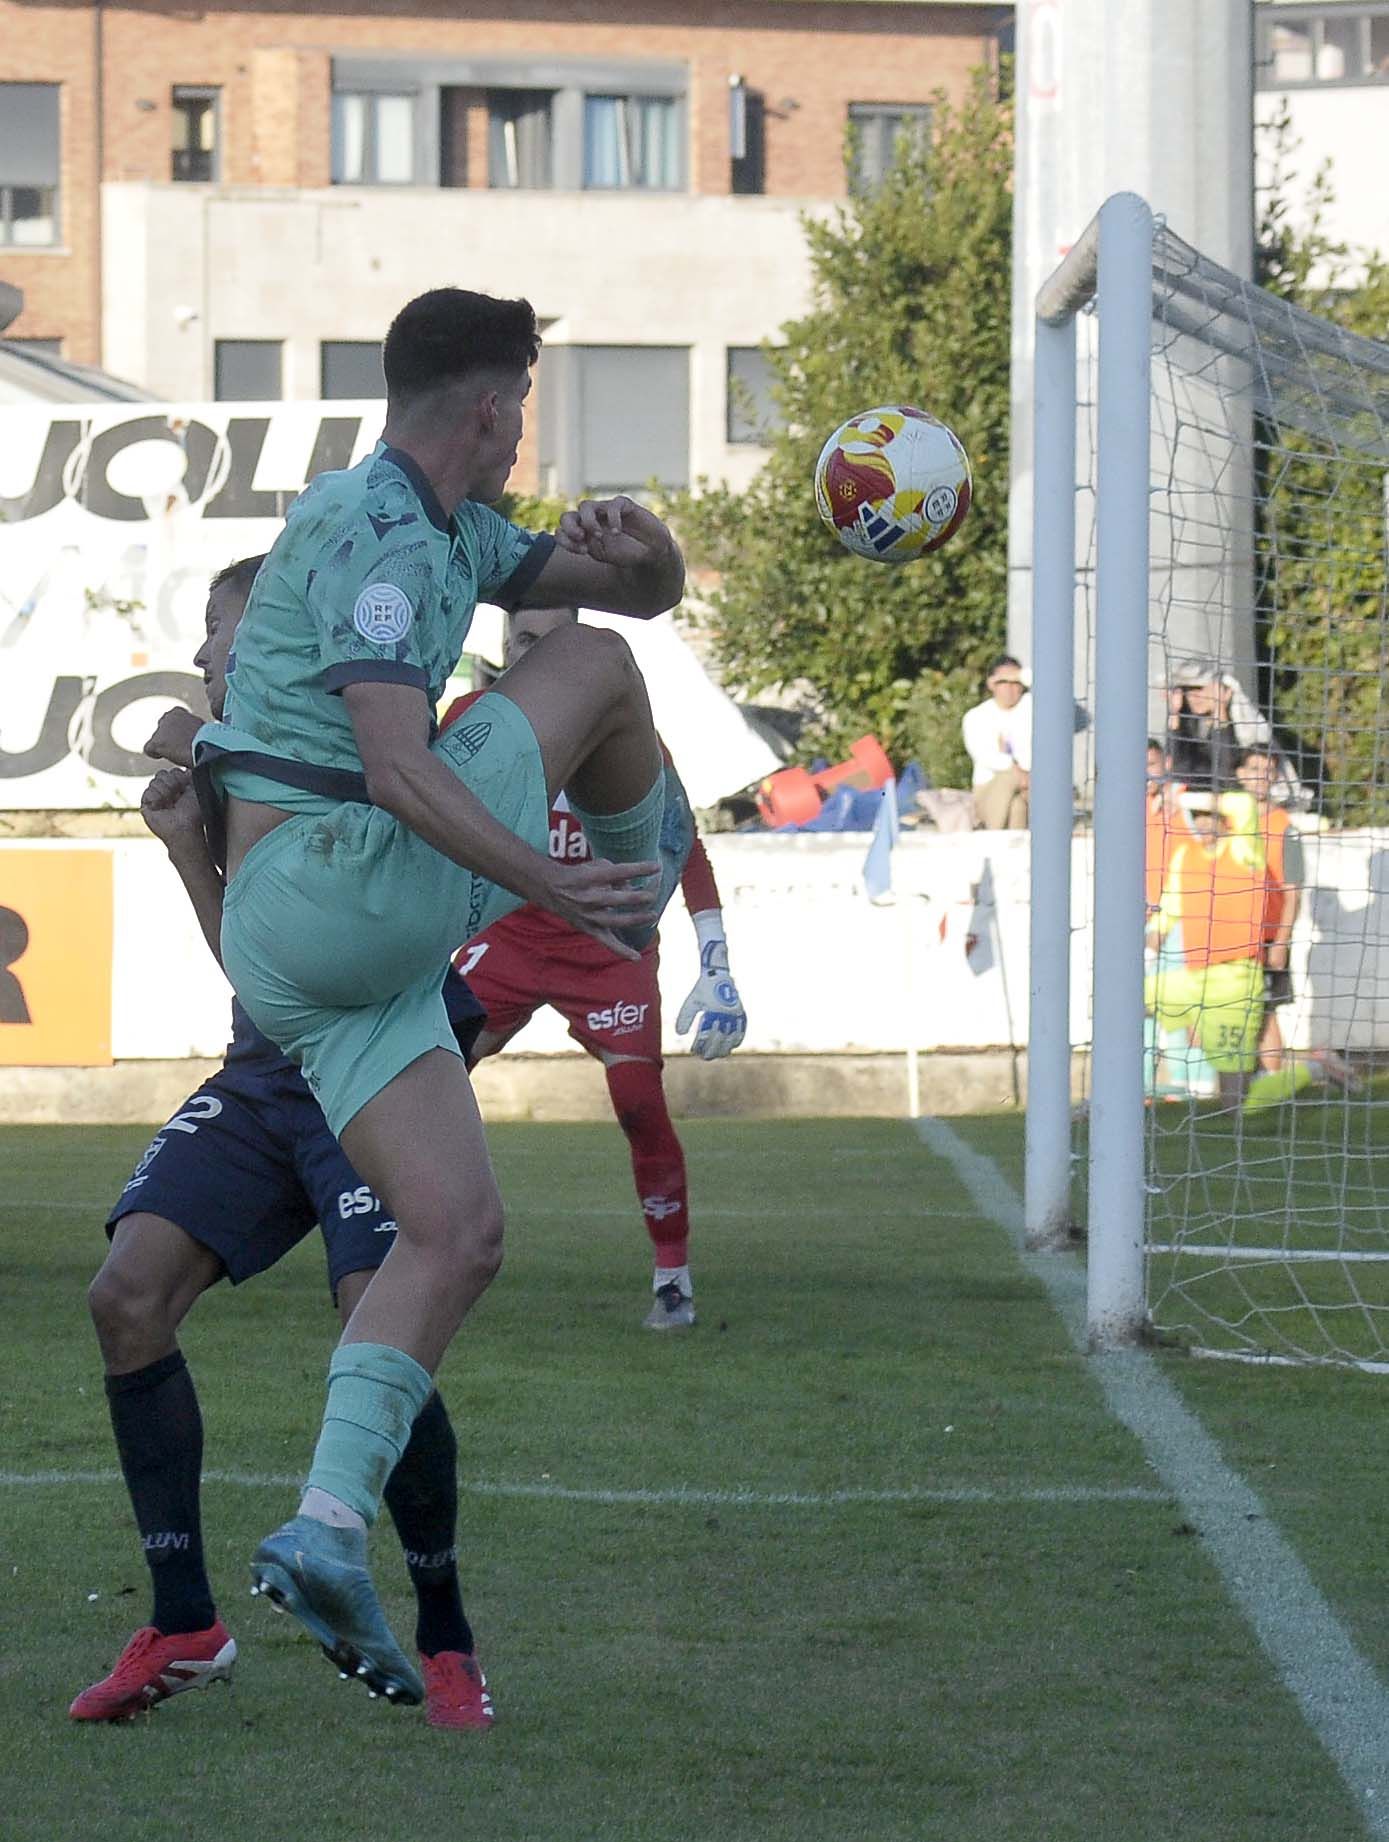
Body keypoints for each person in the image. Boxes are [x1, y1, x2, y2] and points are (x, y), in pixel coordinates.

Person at [185, 287, 691, 1707]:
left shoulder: (452, 527)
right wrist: (558, 883)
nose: (526, 427)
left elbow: (644, 596)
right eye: (521, 400)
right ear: (488, 404)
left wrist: (643, 545)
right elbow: (401, 767)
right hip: (337, 878)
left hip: (305, 949)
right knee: (592, 669)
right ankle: (646, 877)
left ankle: (326, 1525)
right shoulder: (384, 532)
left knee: (458, 1232)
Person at [72, 557, 495, 1731]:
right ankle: (184, 1623)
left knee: (377, 1317)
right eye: (211, 640)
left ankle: (446, 1634)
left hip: (374, 1072)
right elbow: (258, 969)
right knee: (125, 1296)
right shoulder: (230, 765)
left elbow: (174, 731)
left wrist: (195, 744)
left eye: (227, 636)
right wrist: (187, 852)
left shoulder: (357, 738)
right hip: (269, 1078)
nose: (208, 658)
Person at [445, 605, 747, 1332]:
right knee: (419, 1074)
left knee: (639, 1102)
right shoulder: (469, 718)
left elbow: (682, 842)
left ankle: (672, 1277)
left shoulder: (622, 728)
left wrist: (716, 958)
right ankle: (379, 1239)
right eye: (521, 641)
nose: (532, 656)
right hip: (509, 934)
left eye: (549, 643)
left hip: (606, 943)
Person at [1236, 745, 1303, 1075]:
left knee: (1265, 1010)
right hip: (1231, 934)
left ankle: (1271, 1079)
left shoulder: (1284, 826)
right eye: (1254, 769)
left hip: (1266, 934)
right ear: (1240, 774)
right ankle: (1239, 1080)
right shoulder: (1230, 820)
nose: (1260, 777)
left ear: (1275, 777)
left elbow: (1293, 892)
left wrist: (1281, 941)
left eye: (1267, 770)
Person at [961, 655, 1031, 829]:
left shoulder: (1030, 706)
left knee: (1017, 807)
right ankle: (993, 831)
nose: (1010, 687)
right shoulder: (977, 716)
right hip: (991, 788)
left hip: (1028, 786)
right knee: (1009, 779)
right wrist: (1019, 774)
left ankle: (1000, 837)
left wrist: (1025, 675)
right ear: (991, 684)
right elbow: (985, 756)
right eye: (1003, 682)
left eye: (1016, 682)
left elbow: (1058, 698)